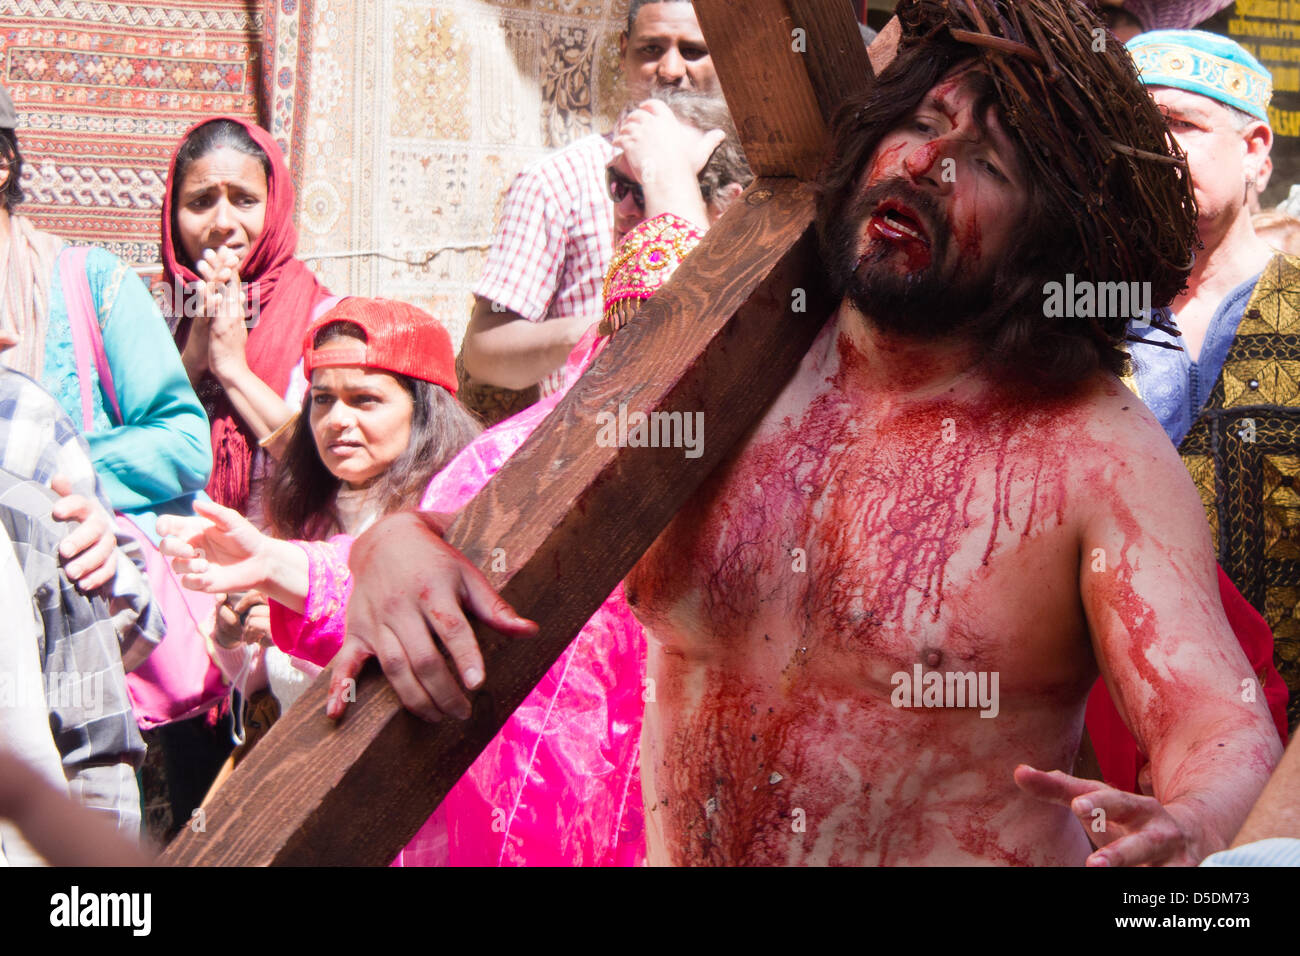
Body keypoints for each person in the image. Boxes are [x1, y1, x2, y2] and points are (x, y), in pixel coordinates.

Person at [334, 0, 1284, 866]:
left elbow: (1221, 721)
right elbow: (478, 518)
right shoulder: (714, 369)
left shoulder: (1092, 452)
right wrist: (392, 545)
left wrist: (1198, 822)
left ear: (1050, 238)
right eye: (919, 124)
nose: (925, 165)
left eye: (987, 165)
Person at [164, 94, 753, 865]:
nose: (621, 215)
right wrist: (286, 565)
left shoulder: (746, 380)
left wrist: (673, 189)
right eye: (618, 188)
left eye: (639, 188)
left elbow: (672, 367)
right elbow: (471, 546)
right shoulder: (574, 398)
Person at [159, 299, 478, 723]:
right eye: (323, 399)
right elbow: (257, 681)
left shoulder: (451, 515)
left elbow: (429, 667)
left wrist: (299, 633)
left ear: (423, 410)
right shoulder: (307, 518)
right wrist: (231, 635)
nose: (336, 419)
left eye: (364, 399)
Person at [1125, 31, 1300, 731]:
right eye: (1134, 130)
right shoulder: (1072, 325)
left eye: (1178, 124)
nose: (1151, 151)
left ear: (1256, 146)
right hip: (1105, 764)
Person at [457, 0, 719, 423]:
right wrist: (599, 331)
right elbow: (484, 352)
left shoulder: (759, 176)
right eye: (651, 49)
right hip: (589, 448)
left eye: (692, 50)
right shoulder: (559, 181)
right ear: (622, 50)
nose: (670, 69)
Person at [0, 86, 210, 538]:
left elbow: (184, 446)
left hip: (76, 579)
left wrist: (42, 466)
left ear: (2, 164)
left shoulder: (92, 283)